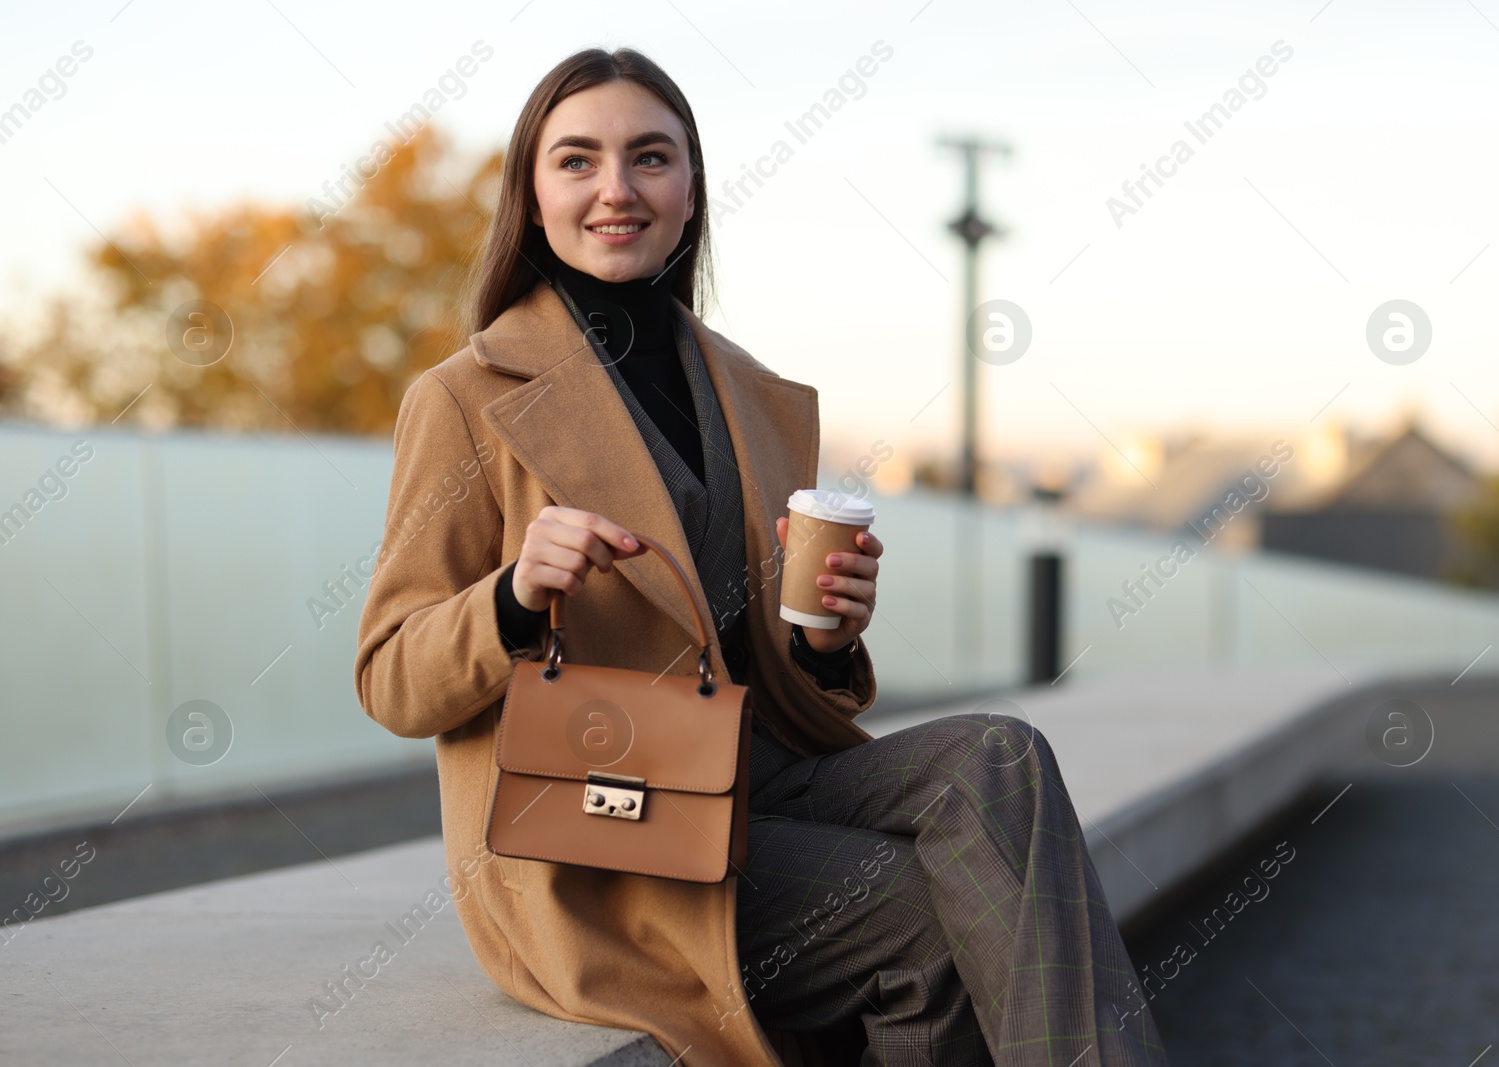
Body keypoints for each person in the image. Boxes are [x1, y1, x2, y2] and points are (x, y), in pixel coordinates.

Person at [354, 45, 1166, 1067]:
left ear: (690, 190)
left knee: (1000, 758)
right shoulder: (465, 397)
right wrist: (513, 594)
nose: (616, 188)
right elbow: (390, 675)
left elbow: (781, 678)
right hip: (599, 829)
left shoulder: (753, 396)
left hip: (752, 771)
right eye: (576, 160)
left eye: (650, 158)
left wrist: (823, 634)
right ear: (531, 192)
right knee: (929, 911)